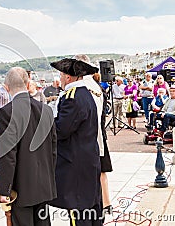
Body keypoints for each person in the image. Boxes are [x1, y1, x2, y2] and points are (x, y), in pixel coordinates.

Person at [0, 67, 57, 226]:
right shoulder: (45, 109)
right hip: (44, 184)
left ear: (7, 87)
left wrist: (4, 190)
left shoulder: (7, 112)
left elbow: (7, 155)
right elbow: (53, 149)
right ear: (27, 82)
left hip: (21, 187)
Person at [49, 58, 102, 226]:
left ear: (68, 78)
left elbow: (61, 130)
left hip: (75, 163)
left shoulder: (72, 97)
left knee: (78, 211)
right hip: (87, 159)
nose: (60, 78)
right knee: (92, 208)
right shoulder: (86, 94)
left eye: (61, 74)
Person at [92, 73, 114, 217]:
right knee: (102, 172)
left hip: (98, 136)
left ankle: (105, 203)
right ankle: (106, 203)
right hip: (101, 135)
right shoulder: (100, 90)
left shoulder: (95, 91)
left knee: (100, 172)